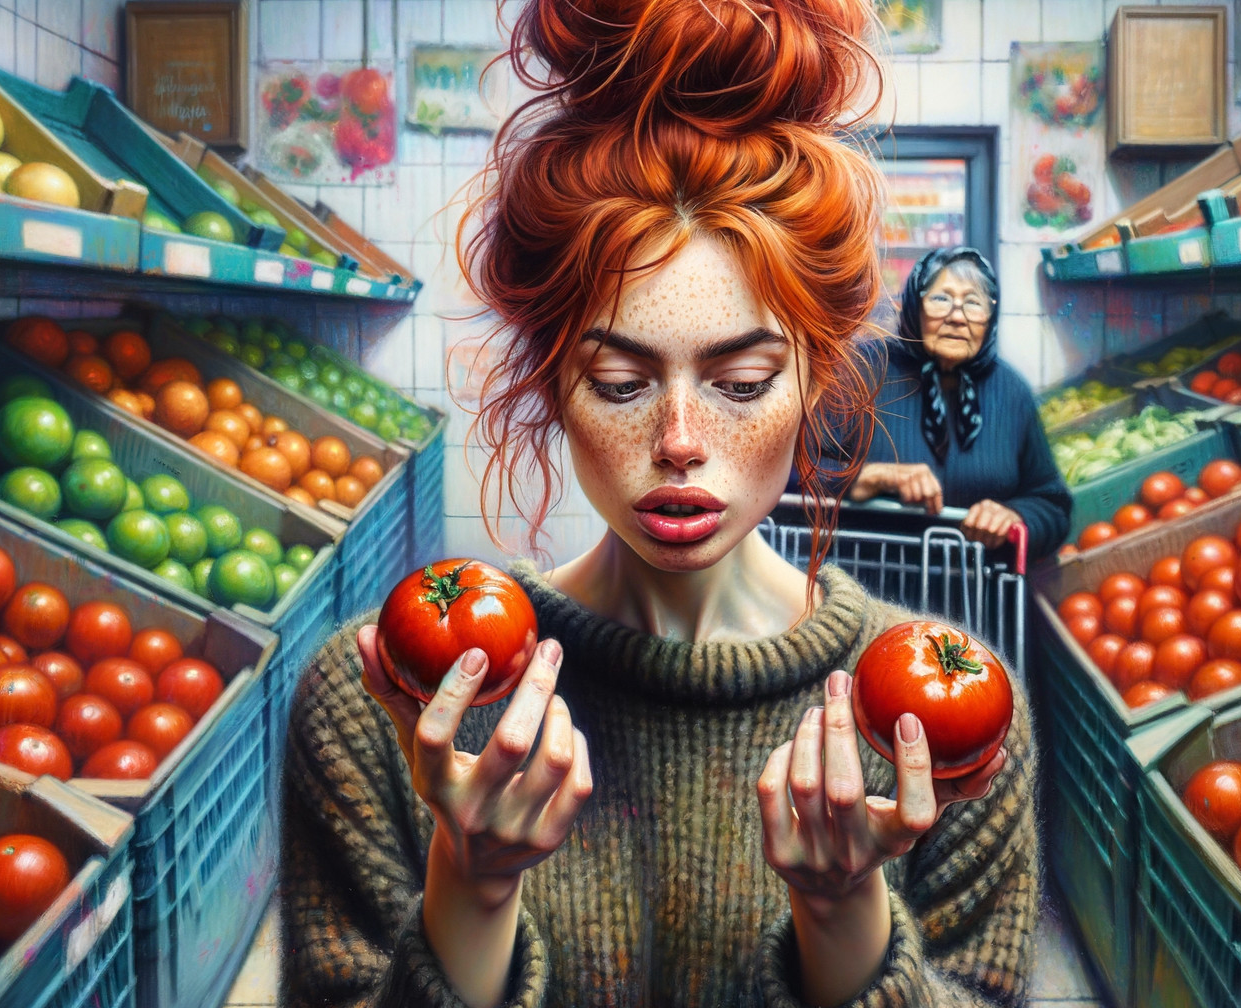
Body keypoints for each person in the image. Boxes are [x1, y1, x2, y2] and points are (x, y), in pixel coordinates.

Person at [280, 3, 1040, 1007]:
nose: (679, 441)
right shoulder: (391, 706)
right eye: (620, 381)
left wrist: (845, 913)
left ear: (815, 382)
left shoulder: (942, 735)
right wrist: (468, 886)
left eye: (740, 383)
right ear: (552, 383)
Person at [810, 247, 1071, 561]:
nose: (957, 317)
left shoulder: (1011, 391)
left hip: (975, 593)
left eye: (974, 303)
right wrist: (872, 477)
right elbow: (798, 474)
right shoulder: (864, 371)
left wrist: (1015, 516)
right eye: (940, 299)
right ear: (914, 307)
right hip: (869, 583)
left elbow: (1052, 505)